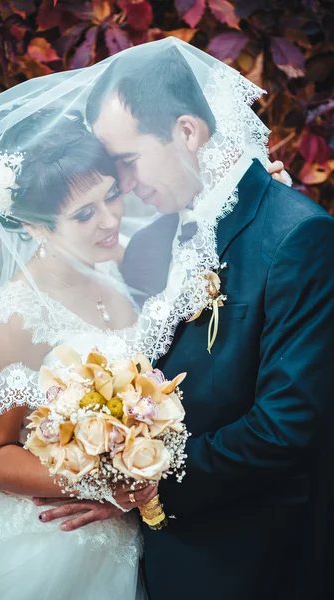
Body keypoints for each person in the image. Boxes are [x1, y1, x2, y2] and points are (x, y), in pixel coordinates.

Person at [40, 38, 334, 600]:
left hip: (249, 558)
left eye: (127, 161)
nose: (124, 185)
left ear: (188, 132)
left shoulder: (297, 237)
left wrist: (141, 485)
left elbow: (286, 426)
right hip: (153, 560)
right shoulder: (151, 242)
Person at [0, 107, 151, 599]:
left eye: (111, 195)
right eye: (84, 214)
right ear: (34, 227)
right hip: (50, 543)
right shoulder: (17, 316)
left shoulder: (112, 262)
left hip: (126, 528)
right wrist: (107, 485)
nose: (110, 219)